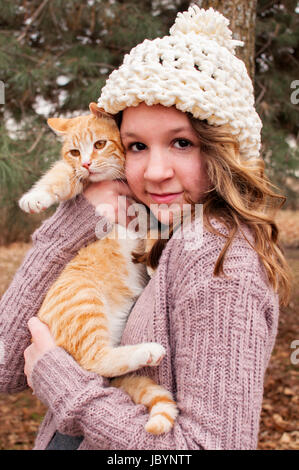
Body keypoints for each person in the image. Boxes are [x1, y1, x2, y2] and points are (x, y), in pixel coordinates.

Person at [0, 6, 291, 450]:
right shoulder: (158, 233)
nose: (155, 172)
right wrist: (78, 219)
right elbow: (6, 364)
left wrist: (69, 389)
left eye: (182, 142)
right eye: (137, 145)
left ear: (224, 151)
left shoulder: (216, 258)